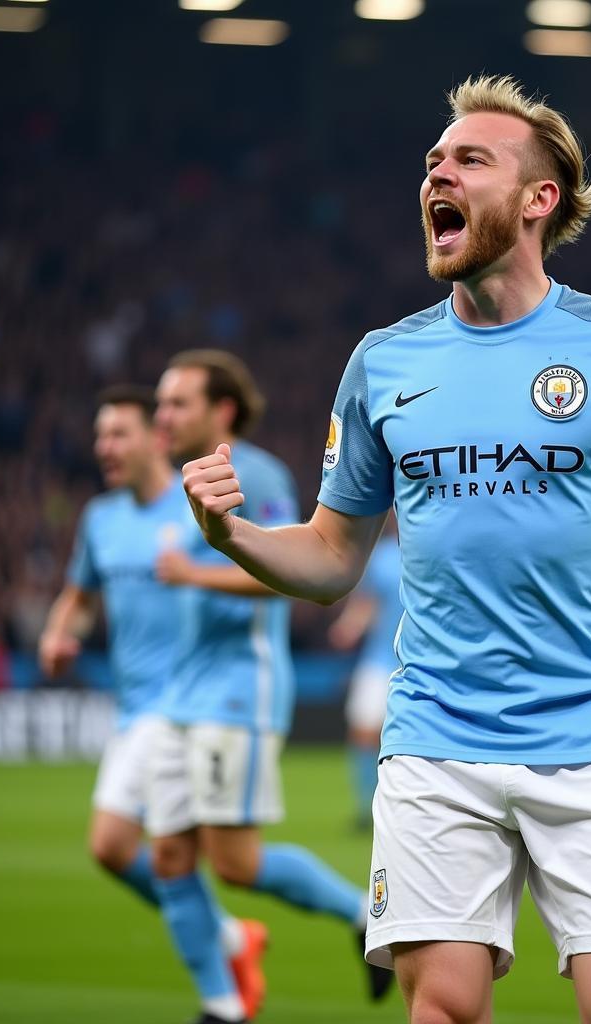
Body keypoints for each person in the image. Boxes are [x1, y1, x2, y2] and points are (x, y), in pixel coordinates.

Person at [180, 76, 591, 1024]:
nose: (435, 176)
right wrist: (233, 535)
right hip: (434, 741)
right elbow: (332, 557)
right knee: (441, 1009)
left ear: (538, 199)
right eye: (431, 163)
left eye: (468, 160)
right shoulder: (384, 362)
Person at [150, 349, 391, 1024]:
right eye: (161, 404)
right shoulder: (176, 481)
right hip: (181, 691)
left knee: (234, 863)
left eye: (177, 403)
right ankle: (223, 1003)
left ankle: (360, 916)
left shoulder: (257, 474)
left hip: (236, 690)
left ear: (222, 410)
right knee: (166, 851)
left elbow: (287, 574)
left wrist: (193, 575)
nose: (162, 416)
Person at [36, 385, 266, 1018]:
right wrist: (59, 635)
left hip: (191, 705)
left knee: (172, 854)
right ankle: (228, 935)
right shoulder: (100, 519)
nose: (103, 447)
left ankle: (223, 1001)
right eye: (99, 436)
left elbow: (254, 574)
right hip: (133, 705)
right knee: (112, 848)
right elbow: (79, 597)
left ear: (153, 439)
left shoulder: (196, 505)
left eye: (118, 434)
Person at [327, 523, 403, 828]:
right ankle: (368, 806)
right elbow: (367, 603)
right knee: (363, 732)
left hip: (418, 661)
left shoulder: (438, 549)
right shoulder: (382, 556)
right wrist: (349, 627)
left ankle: (397, 806)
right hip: (379, 659)